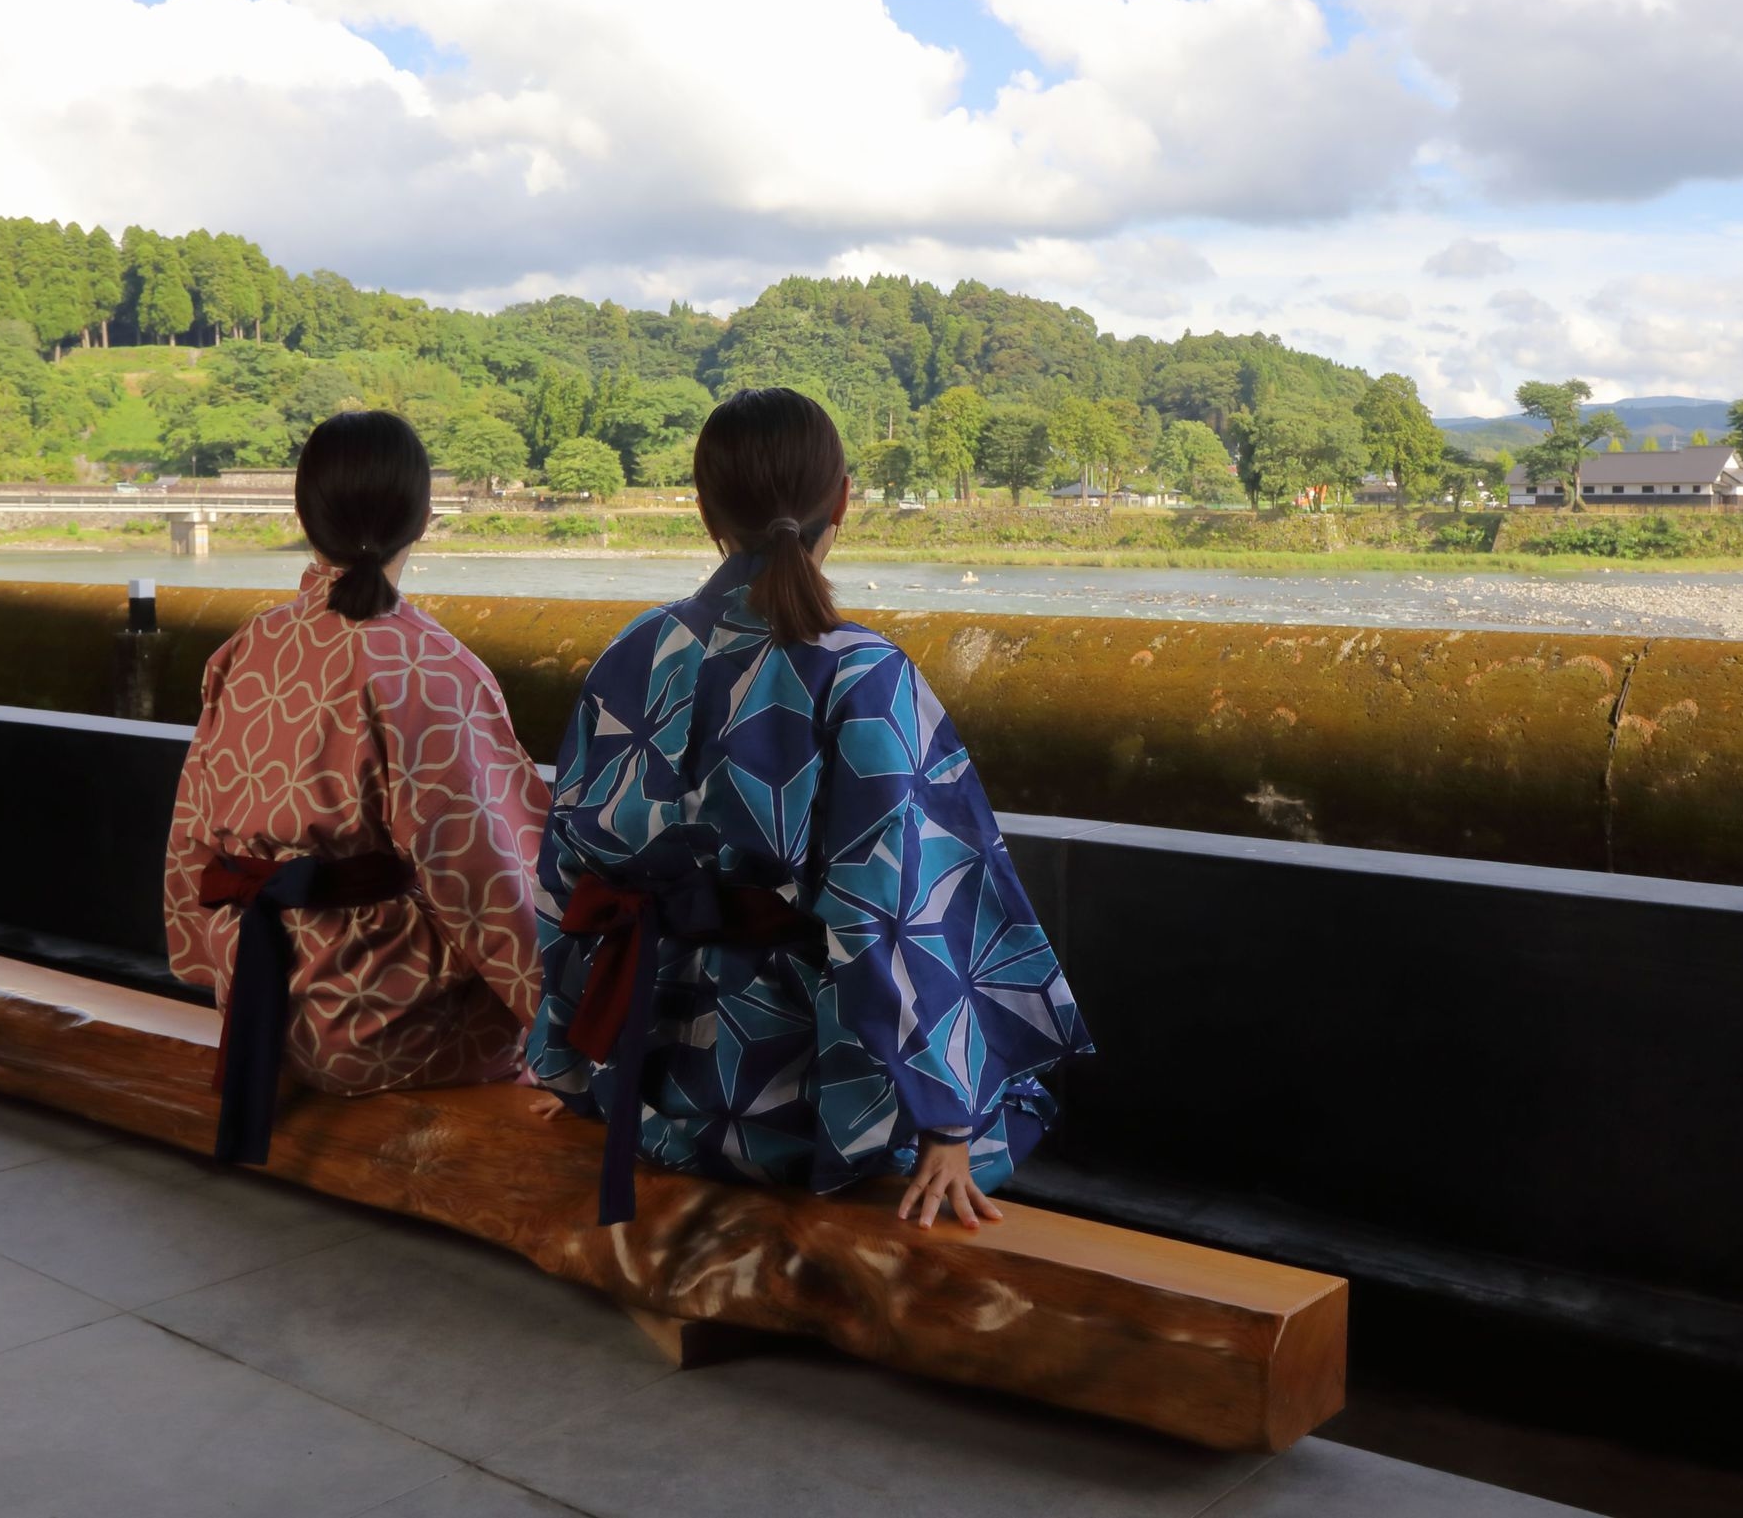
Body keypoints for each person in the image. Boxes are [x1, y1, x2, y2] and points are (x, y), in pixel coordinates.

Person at [531, 387, 1091, 1229]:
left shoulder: (633, 651)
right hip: (805, 1115)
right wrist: (946, 1117)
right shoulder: (866, 674)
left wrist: (564, 1061)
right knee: (1013, 1096)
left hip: (653, 1083)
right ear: (843, 499)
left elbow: (569, 876)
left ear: (703, 510)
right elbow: (890, 914)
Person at [161, 410, 547, 1166]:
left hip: (261, 997)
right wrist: (568, 1028)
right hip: (379, 1024)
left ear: (304, 518)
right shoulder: (434, 669)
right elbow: (489, 882)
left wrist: (206, 966)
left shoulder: (248, 647)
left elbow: (192, 832)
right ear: (425, 519)